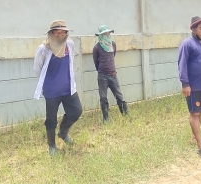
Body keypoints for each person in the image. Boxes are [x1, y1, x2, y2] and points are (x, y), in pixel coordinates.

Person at [33, 20, 83, 155]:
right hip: (52, 91)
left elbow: (70, 63)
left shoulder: (70, 44)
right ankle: (52, 146)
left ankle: (63, 132)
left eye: (63, 32)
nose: (60, 35)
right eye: (57, 32)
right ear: (51, 33)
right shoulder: (44, 49)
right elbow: (37, 69)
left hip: (68, 88)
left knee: (76, 111)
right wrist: (50, 81)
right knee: (51, 119)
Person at [178, 16, 201, 159]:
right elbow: (182, 64)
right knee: (194, 113)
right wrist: (185, 84)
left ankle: (196, 137)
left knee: (200, 112)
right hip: (193, 86)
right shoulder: (187, 44)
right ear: (193, 29)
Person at [92, 25, 129, 123]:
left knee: (119, 96)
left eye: (107, 33)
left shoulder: (113, 44)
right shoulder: (97, 47)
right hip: (102, 76)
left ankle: (126, 115)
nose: (106, 35)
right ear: (100, 35)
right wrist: (102, 71)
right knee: (103, 97)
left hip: (113, 75)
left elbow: (113, 56)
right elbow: (96, 62)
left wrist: (110, 71)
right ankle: (106, 119)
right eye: (104, 34)